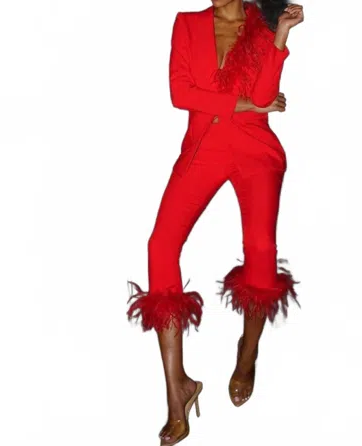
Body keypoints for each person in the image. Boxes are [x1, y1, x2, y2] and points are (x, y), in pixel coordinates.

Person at [126, 1, 304, 444]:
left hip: (254, 146)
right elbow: (180, 94)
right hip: (203, 145)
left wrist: (281, 35)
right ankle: (177, 388)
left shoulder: (262, 23)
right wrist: (242, 103)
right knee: (160, 246)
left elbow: (265, 96)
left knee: (261, 249)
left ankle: (248, 353)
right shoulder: (188, 24)